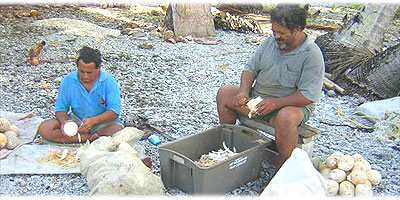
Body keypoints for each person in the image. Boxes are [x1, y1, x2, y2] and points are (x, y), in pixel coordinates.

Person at [216, 4, 325, 168]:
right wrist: (244, 92)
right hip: (259, 100)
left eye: (281, 33)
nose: (276, 36)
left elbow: (308, 96)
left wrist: (276, 103)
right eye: (274, 31)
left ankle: (283, 170)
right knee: (225, 93)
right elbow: (250, 69)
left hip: (290, 106)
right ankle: (229, 148)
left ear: (298, 29)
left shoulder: (312, 54)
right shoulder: (270, 42)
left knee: (286, 118)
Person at [38, 46, 124, 143]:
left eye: (89, 73)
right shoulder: (69, 80)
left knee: (117, 131)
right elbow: (61, 108)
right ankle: (88, 138)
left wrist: (93, 121)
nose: (85, 76)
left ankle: (80, 139)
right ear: (77, 67)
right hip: (76, 121)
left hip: (102, 124)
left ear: (99, 68)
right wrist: (65, 122)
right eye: (81, 72)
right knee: (45, 128)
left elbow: (114, 111)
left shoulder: (109, 82)